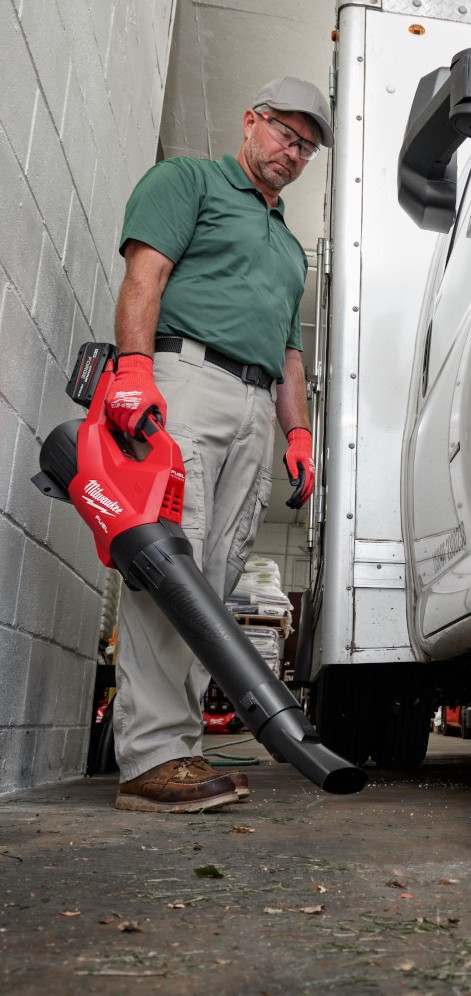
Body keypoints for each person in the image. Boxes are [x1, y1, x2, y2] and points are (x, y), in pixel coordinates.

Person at [105, 77, 332, 813]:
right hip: (185, 378)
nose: (292, 154)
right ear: (250, 120)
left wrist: (297, 432)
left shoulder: (290, 248)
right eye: (284, 134)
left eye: (306, 147)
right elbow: (149, 273)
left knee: (214, 572)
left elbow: (290, 355)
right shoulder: (190, 180)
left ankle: (181, 751)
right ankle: (150, 758)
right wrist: (135, 371)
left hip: (253, 403)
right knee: (170, 562)